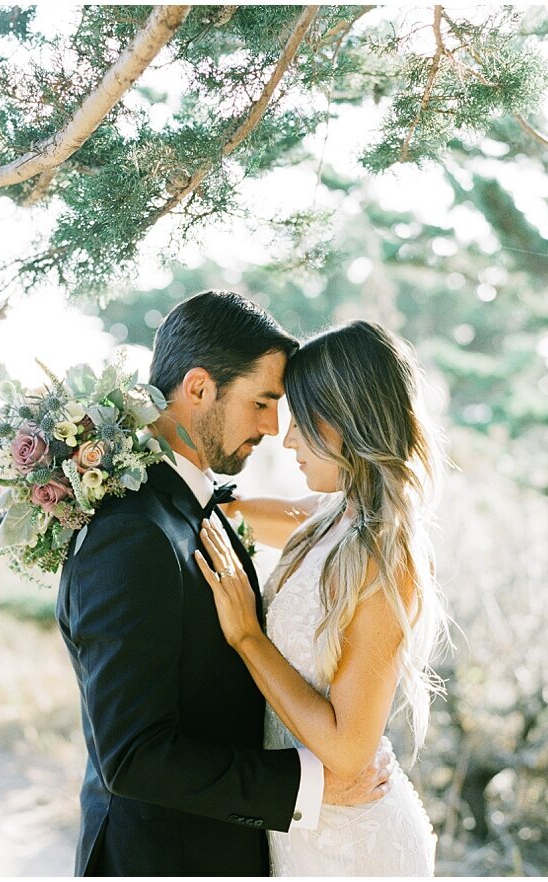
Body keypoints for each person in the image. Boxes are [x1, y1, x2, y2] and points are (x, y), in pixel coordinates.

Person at [55, 292, 393, 876]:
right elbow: (134, 757)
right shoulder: (133, 534)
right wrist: (311, 785)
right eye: (263, 402)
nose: (273, 427)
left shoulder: (195, 506)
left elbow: (320, 516)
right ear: (199, 388)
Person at [197, 320, 449, 876]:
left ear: (348, 423)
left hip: (353, 848)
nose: (286, 441)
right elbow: (236, 510)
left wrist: (246, 636)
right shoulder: (333, 516)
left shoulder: (387, 556)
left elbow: (347, 752)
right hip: (304, 828)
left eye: (303, 424)